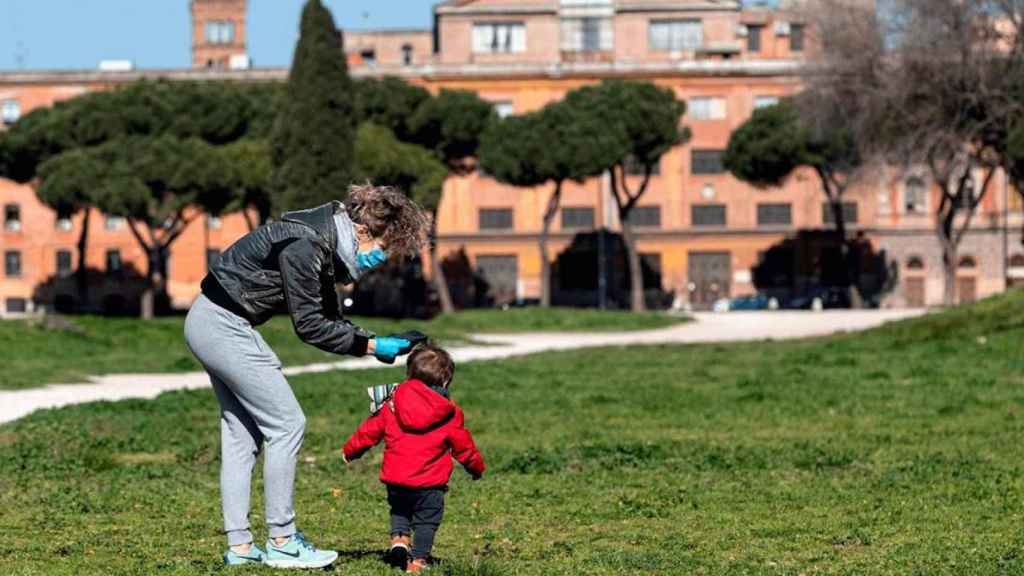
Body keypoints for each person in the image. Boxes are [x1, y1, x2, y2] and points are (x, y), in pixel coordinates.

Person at [184, 185, 429, 569]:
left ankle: (242, 549)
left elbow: (329, 318)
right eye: (382, 251)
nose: (377, 262)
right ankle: (282, 540)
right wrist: (371, 348)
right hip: (222, 326)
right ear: (365, 231)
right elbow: (311, 327)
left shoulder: (320, 240)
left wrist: (378, 342)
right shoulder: (306, 246)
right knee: (287, 424)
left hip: (215, 321)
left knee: (242, 435)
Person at [342, 344, 485, 573]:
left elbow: (370, 431)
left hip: (396, 479)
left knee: (400, 510)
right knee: (427, 521)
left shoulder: (391, 403)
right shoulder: (449, 412)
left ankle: (399, 541)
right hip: (430, 484)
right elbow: (463, 446)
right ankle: (418, 560)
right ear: (446, 382)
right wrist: (475, 467)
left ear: (409, 373)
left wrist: (350, 451)